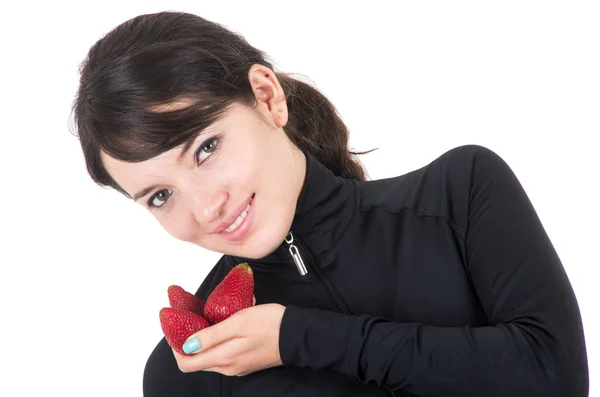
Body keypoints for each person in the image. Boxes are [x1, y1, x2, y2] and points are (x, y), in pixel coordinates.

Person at [72, 11, 588, 397]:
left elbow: (555, 375)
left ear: (267, 96)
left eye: (206, 149)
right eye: (160, 196)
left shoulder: (460, 192)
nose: (207, 208)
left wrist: (299, 337)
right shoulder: (191, 369)